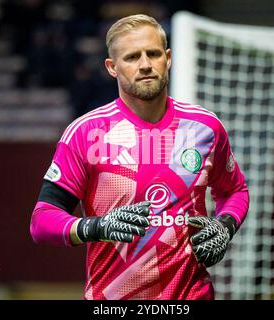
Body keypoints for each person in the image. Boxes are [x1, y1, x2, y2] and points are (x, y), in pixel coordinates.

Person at [30, 14, 249, 300]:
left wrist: (225, 225)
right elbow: (41, 221)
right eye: (132, 57)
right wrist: (96, 227)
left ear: (168, 58)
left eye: (153, 54)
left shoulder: (205, 127)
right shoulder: (86, 133)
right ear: (112, 67)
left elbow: (235, 190)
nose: (145, 64)